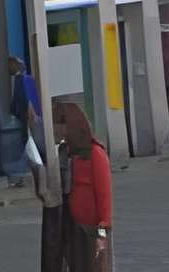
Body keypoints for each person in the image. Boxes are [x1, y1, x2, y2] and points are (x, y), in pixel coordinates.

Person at [40, 100, 112, 271]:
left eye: (60, 126)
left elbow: (104, 197)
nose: (58, 131)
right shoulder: (72, 155)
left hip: (92, 230)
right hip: (76, 227)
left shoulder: (96, 154)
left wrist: (101, 235)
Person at [9, 55, 45, 190]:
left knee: (29, 147)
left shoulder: (21, 81)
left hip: (26, 120)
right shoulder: (27, 80)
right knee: (29, 147)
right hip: (27, 119)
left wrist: (30, 116)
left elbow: (25, 101)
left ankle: (30, 174)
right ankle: (30, 174)